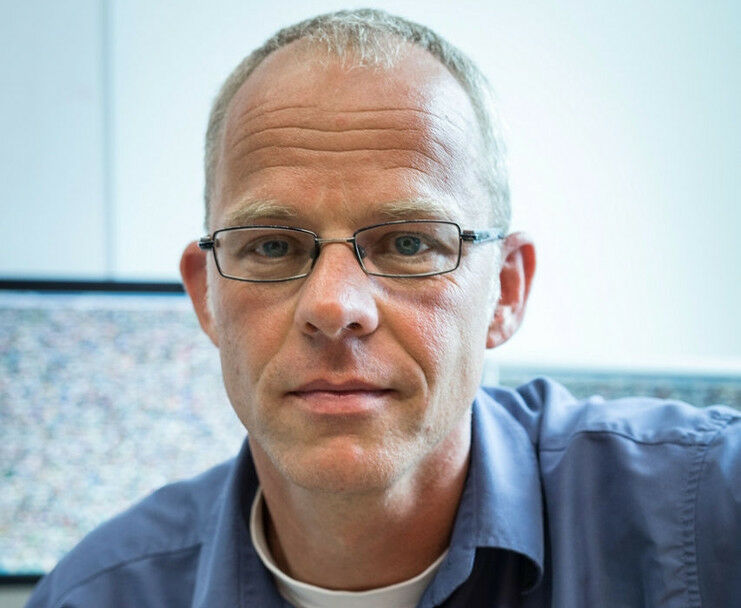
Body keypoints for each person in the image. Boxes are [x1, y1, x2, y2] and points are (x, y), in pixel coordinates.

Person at [27, 9, 740, 608]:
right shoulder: (94, 595)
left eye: (408, 242)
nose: (334, 305)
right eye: (272, 246)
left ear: (505, 290)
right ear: (205, 296)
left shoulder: (708, 512)